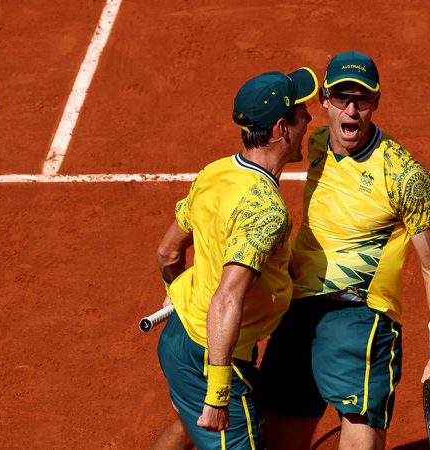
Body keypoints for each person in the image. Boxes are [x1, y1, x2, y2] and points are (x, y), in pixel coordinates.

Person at [259, 51, 430, 450]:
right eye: (342, 98)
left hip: (360, 315)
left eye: (362, 99)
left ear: (376, 102)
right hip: (296, 307)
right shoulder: (313, 144)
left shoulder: (404, 175)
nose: (352, 110)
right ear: (324, 101)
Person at [151, 66, 318, 450]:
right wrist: (218, 393)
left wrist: (176, 292)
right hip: (210, 358)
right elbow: (227, 297)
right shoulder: (264, 209)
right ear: (281, 129)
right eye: (300, 112)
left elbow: (168, 251)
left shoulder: (215, 172)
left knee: (184, 425)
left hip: (179, 339)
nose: (309, 118)